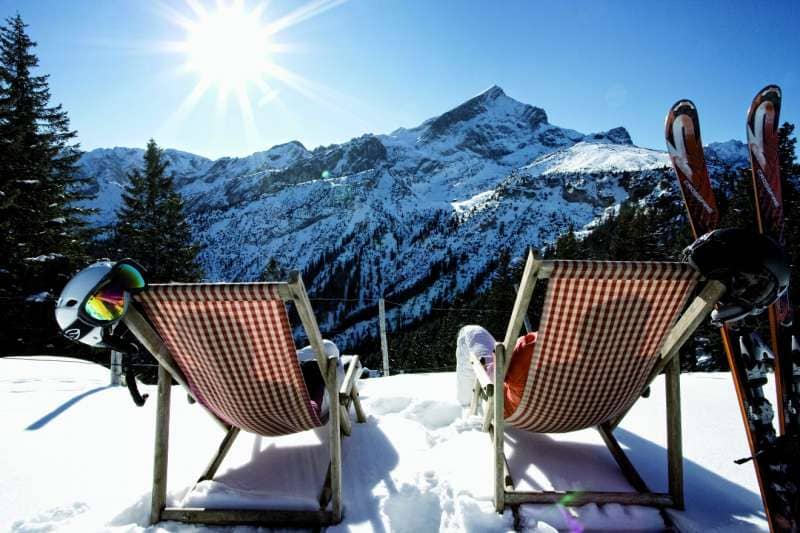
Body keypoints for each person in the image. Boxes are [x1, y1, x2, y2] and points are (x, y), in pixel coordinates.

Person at [455, 325, 538, 418]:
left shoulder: (530, 347)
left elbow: (493, 377)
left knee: (471, 331)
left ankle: (465, 404)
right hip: (542, 416)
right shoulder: (553, 350)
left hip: (504, 405)